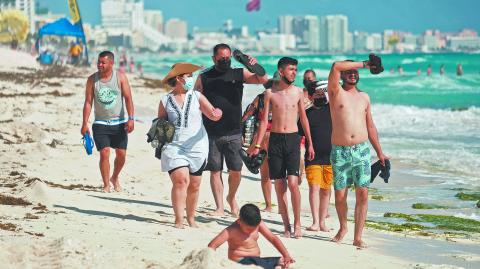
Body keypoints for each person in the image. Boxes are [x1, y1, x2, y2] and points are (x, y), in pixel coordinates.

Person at [195, 43, 268, 217]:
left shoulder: (239, 73)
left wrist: (252, 65)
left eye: (228, 58)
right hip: (211, 132)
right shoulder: (204, 77)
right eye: (222, 58)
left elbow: (263, 81)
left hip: (234, 131)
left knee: (236, 170)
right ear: (214, 58)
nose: (226, 61)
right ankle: (219, 207)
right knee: (215, 170)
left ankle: (231, 197)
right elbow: (196, 99)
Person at [248, 57, 315, 238]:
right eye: (291, 69)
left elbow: (304, 118)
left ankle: (298, 223)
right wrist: (257, 145)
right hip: (275, 140)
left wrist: (309, 143)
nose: (294, 72)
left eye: (295, 69)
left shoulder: (299, 92)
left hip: (293, 140)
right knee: (279, 184)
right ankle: (286, 225)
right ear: (281, 70)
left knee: (293, 183)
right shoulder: (270, 93)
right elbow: (263, 122)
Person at [327, 57, 388, 248]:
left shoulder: (364, 97)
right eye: (349, 71)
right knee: (339, 197)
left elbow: (370, 125)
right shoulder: (335, 92)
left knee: (362, 194)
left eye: (356, 72)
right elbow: (336, 66)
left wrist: (380, 152)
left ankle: (357, 236)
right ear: (343, 75)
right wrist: (364, 64)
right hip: (340, 152)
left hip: (361, 151)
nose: (353, 74)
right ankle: (343, 227)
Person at [158, 62, 223, 228]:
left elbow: (212, 114)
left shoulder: (197, 96)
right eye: (188, 76)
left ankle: (191, 217)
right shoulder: (165, 100)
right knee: (181, 180)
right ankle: (179, 219)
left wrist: (217, 114)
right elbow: (160, 123)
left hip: (197, 145)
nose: (191, 79)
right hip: (174, 146)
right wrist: (160, 141)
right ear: (179, 78)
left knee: (194, 185)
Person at [81, 51, 134, 193]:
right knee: (104, 153)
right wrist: (84, 123)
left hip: (120, 123)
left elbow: (128, 98)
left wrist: (131, 118)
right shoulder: (92, 80)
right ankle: (106, 184)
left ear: (111, 63)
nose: (99, 65)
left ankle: (114, 177)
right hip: (100, 123)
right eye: (98, 62)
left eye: (103, 62)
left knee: (121, 155)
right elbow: (88, 102)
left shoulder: (120, 77)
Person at [208, 204, 294, 269]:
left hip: (257, 260)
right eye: (249, 229)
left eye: (254, 228)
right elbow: (212, 246)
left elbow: (273, 238)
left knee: (283, 261)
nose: (252, 231)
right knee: (258, 263)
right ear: (239, 221)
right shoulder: (231, 231)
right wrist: (212, 263)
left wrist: (286, 254)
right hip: (240, 262)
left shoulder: (259, 224)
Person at [298, 80, 333, 232]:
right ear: (311, 97)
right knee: (314, 188)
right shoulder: (307, 114)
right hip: (313, 157)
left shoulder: (332, 109)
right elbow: (300, 136)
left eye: (322, 93)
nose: (321, 96)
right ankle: (315, 222)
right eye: (317, 94)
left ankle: (322, 221)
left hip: (330, 156)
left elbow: (335, 92)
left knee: (326, 189)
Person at [241, 90, 273, 212]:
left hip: (276, 137)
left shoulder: (282, 97)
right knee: (265, 174)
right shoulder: (260, 98)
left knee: (275, 175)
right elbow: (247, 114)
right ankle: (269, 205)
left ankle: (277, 205)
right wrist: (240, 129)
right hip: (261, 136)